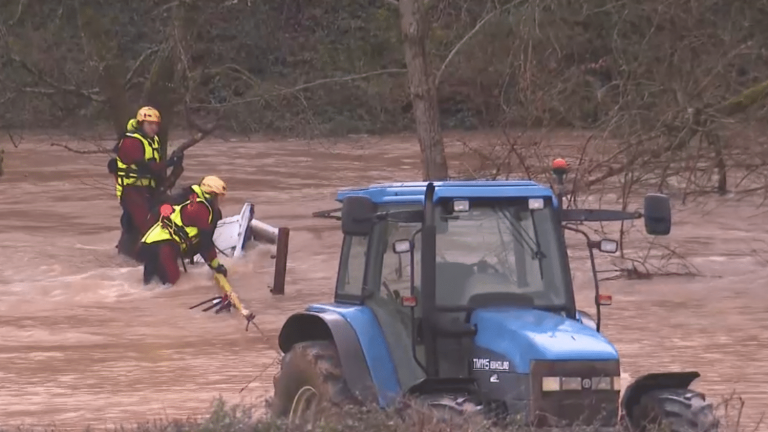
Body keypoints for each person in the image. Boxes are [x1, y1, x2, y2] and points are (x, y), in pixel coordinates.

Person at [109, 106, 183, 258]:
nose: (154, 128)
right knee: (147, 223)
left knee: (171, 209)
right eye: (150, 124)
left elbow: (153, 169)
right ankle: (150, 255)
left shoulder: (151, 140)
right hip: (131, 190)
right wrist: (170, 163)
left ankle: (127, 254)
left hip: (146, 190)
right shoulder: (131, 142)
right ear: (141, 124)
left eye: (156, 124)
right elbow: (147, 168)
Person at [139, 175, 228, 286]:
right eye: (218, 197)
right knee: (171, 287)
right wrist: (216, 265)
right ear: (212, 195)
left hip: (150, 243)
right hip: (164, 247)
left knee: (150, 287)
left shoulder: (188, 198)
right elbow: (206, 242)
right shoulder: (200, 210)